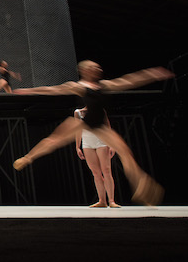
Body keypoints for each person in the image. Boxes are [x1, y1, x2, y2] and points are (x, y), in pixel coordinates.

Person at [12, 61, 173, 206]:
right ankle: (28, 157)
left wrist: (152, 74)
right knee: (54, 140)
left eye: (98, 67)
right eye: (94, 67)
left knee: (125, 152)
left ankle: (141, 186)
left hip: (100, 126)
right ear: (85, 71)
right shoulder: (80, 86)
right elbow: (52, 90)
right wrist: (29, 91)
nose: (98, 69)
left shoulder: (104, 85)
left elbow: (129, 80)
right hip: (84, 122)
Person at [74, 107, 120, 208]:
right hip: (87, 143)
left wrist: (112, 144)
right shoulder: (78, 113)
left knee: (106, 170)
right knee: (96, 173)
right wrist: (77, 146)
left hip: (101, 142)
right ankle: (102, 200)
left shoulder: (100, 110)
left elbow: (108, 128)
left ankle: (111, 200)